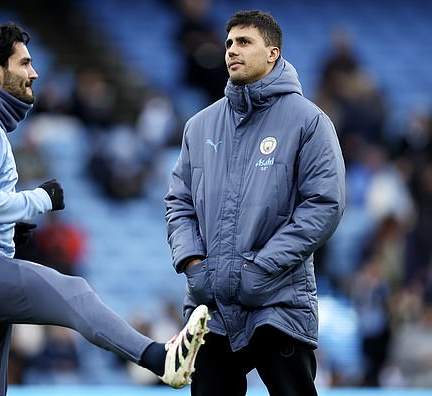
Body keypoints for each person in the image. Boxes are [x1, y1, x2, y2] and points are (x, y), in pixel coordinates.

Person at [0, 22, 210, 395]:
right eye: (23, 63)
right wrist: (37, 201)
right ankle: (158, 359)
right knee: (74, 292)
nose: (33, 72)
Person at [164, 10, 346, 396]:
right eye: (229, 42)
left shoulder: (309, 122)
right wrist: (194, 265)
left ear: (272, 54)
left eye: (245, 42)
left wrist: (261, 268)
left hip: (277, 302)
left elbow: (324, 205)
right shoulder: (199, 125)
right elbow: (178, 202)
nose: (232, 50)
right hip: (209, 308)